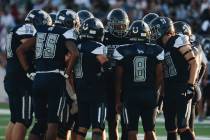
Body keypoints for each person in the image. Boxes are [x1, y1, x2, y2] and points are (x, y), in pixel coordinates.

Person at [16, 9, 79, 140]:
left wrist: (29, 71)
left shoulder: (41, 31)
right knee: (53, 122)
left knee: (40, 123)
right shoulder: (65, 32)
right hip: (54, 78)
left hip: (38, 78)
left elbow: (20, 50)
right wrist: (67, 73)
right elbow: (75, 53)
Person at [4, 9, 51, 140]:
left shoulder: (15, 29)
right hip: (22, 79)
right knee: (24, 119)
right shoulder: (26, 28)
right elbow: (27, 45)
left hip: (12, 77)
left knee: (15, 118)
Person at [150, 17, 199, 140]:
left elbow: (194, 63)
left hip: (182, 87)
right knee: (170, 128)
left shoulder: (177, 39)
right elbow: (164, 76)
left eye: (155, 30)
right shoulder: (161, 47)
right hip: (170, 90)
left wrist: (190, 85)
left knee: (183, 127)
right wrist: (161, 96)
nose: (153, 34)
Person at [114, 20, 164, 140]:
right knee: (150, 129)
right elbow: (160, 75)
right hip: (149, 94)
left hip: (130, 95)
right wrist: (154, 90)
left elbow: (118, 78)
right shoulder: (156, 50)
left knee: (131, 130)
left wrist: (118, 99)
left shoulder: (123, 50)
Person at [74, 17, 108, 140]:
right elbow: (106, 66)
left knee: (82, 127)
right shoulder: (97, 47)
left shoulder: (76, 46)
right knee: (98, 128)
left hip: (80, 89)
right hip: (96, 91)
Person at [174, 21, 208, 136]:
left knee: (182, 128)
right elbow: (204, 64)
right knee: (189, 127)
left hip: (185, 87)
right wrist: (197, 81)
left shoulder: (181, 46)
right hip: (194, 86)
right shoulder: (197, 45)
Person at [103, 8, 131, 140]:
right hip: (108, 82)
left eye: (122, 25)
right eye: (117, 25)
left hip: (126, 83)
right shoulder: (104, 37)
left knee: (127, 123)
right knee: (112, 121)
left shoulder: (131, 37)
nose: (120, 28)